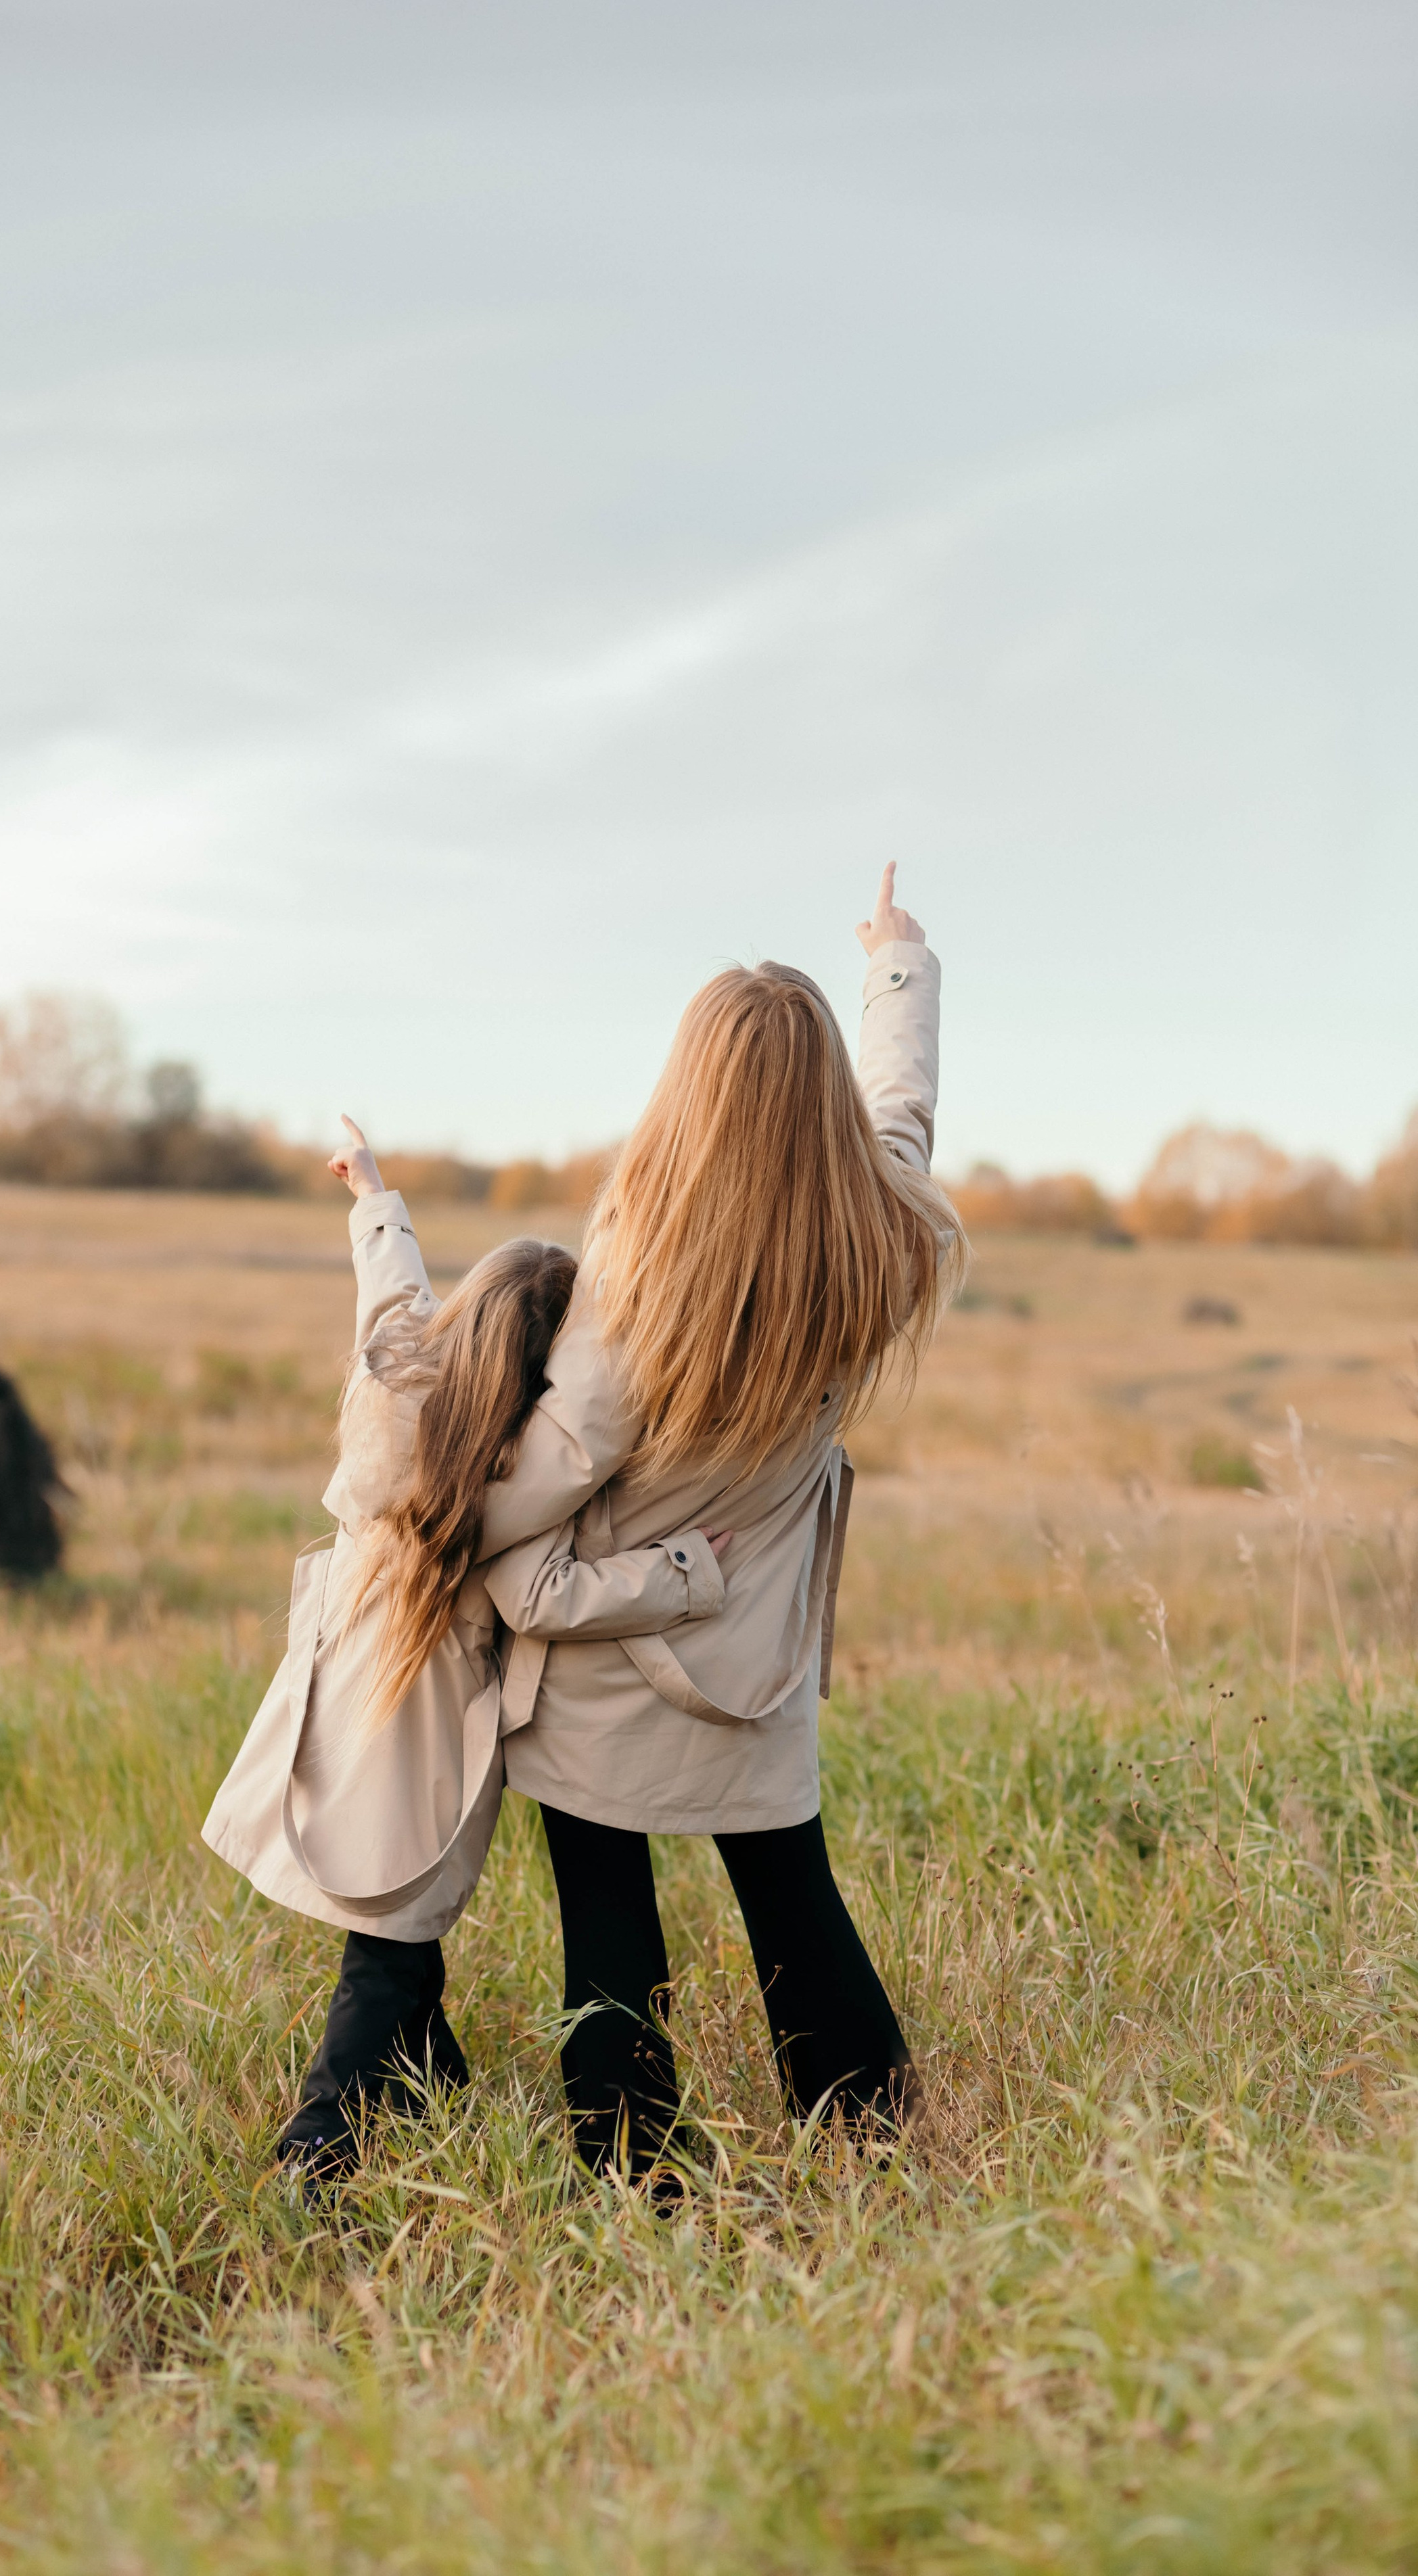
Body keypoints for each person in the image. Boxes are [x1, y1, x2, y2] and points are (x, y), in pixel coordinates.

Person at [466, 860, 961, 2175]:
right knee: (792, 1898)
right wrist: (895, 965)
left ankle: (633, 2178)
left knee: (606, 1921)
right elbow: (900, 1115)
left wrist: (436, 1512)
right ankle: (866, 2145)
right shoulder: (878, 1236)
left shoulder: (634, 1291)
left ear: (683, 1096)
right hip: (756, 1654)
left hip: (608, 1655)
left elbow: (546, 1480)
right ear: (821, 1112)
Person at [202, 1148, 733, 2179]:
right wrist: (681, 1571)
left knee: (398, 1912)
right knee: (392, 1939)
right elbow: (547, 1598)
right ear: (543, 1372)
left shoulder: (394, 1381)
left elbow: (391, 1298)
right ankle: (317, 2148)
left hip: (341, 1685)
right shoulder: (499, 1483)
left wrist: (375, 1205)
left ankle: (428, 2076)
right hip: (427, 1721)